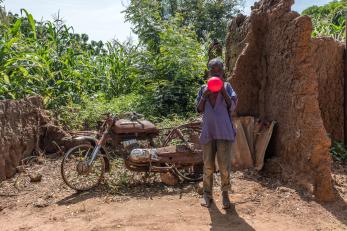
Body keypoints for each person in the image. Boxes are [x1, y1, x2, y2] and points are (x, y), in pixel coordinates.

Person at [196, 57, 237, 209]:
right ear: (209, 73)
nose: (216, 74)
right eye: (212, 71)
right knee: (207, 166)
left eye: (218, 71)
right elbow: (199, 109)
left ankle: (225, 194)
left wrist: (223, 91)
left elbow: (232, 107)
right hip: (208, 132)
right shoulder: (203, 88)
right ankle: (207, 195)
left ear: (222, 73)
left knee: (224, 167)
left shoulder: (227, 87)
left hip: (224, 132)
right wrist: (205, 95)